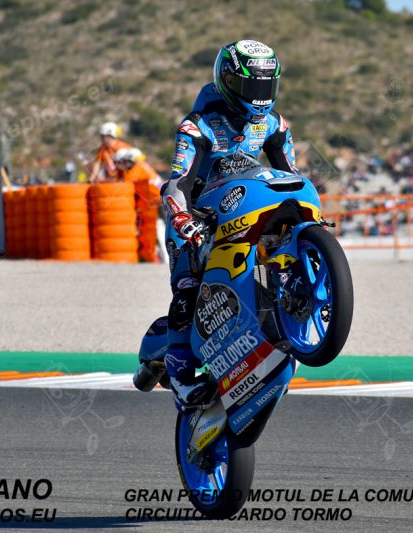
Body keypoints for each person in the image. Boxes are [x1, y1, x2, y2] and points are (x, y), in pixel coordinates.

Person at [159, 39, 298, 410]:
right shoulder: (197, 126)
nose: (260, 96)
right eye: (251, 87)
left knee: (281, 270)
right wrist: (184, 220)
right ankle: (181, 378)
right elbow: (176, 183)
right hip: (198, 216)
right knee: (189, 289)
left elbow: (291, 176)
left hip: (245, 209)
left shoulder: (274, 124)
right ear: (227, 82)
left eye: (266, 87)